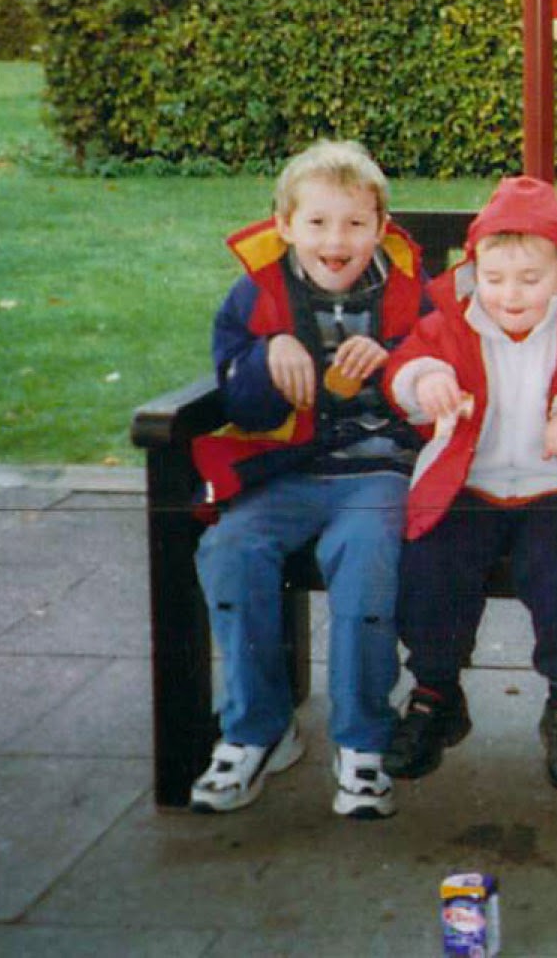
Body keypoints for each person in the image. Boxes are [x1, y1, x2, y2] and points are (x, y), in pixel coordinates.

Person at [381, 176, 557, 793]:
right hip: (469, 480)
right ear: (473, 272)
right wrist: (424, 380)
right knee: (431, 565)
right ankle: (435, 691)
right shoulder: (451, 321)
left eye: (530, 279)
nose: (510, 294)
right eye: (495, 277)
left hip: (556, 484)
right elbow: (404, 363)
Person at [190, 140, 427, 819]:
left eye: (354, 223)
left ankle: (361, 739)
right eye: (317, 222)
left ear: (380, 227)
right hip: (285, 472)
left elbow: (444, 362)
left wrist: (396, 359)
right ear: (284, 224)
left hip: (377, 470)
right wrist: (266, 358)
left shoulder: (409, 292)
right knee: (231, 549)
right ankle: (258, 727)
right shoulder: (255, 296)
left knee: (366, 557)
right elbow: (237, 399)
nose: (335, 240)